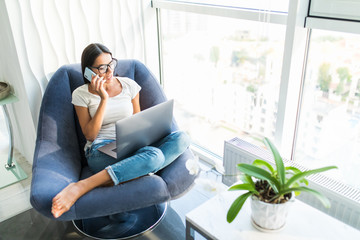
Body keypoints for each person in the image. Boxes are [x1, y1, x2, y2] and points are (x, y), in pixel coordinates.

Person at [51, 43, 190, 218]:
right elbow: (90, 135)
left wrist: (146, 135)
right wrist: (103, 98)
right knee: (154, 157)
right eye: (102, 68)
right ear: (89, 71)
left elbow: (138, 121)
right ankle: (84, 185)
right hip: (100, 150)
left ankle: (122, 175)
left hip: (132, 144)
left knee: (182, 138)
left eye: (111, 64)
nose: (109, 71)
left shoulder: (129, 85)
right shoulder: (81, 94)